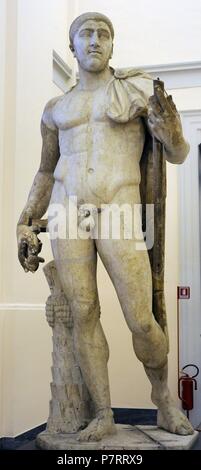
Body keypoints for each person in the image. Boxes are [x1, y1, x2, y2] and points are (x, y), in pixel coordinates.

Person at [17, 12, 193, 441]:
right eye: (86, 34)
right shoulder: (56, 108)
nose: (95, 41)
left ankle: (164, 400)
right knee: (83, 314)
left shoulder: (134, 91)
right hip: (66, 211)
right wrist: (25, 220)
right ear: (72, 46)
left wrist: (171, 133)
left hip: (119, 207)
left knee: (140, 318)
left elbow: (178, 152)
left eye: (103, 35)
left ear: (113, 45)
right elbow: (45, 171)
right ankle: (103, 412)